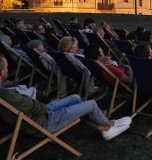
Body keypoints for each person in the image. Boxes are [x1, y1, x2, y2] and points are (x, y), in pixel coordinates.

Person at [0, 54, 131, 140]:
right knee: (91, 104)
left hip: (38, 115)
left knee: (75, 98)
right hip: (43, 122)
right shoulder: (6, 94)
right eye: (6, 67)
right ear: (1, 72)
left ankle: (102, 124)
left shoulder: (5, 92)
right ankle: (108, 126)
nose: (7, 69)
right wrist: (36, 100)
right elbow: (37, 108)